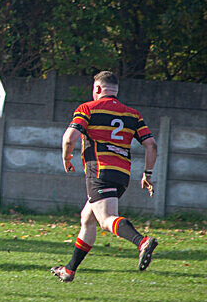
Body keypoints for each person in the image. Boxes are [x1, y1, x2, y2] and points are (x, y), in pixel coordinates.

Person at [51, 71, 158, 282]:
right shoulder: (132, 114)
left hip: (100, 172)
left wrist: (66, 157)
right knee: (87, 218)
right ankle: (69, 270)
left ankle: (142, 241)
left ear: (98, 89)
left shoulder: (88, 109)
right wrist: (147, 173)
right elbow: (151, 145)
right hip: (122, 175)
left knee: (106, 219)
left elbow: (69, 139)